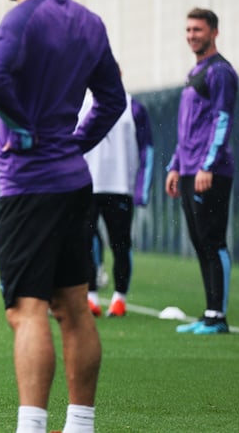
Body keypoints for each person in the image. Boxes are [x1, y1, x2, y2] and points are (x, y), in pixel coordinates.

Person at [0, 0, 126, 433]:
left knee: (26, 310)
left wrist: (22, 129)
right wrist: (73, 142)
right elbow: (112, 100)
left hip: (29, 185)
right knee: (73, 307)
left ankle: (32, 426)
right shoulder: (88, 21)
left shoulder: (19, 19)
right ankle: (81, 424)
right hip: (73, 181)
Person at [167, 8, 238, 336]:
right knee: (200, 241)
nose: (192, 35)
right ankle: (208, 313)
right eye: (188, 29)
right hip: (189, 169)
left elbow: (221, 121)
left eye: (198, 29)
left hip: (210, 171)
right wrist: (175, 165)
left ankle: (218, 317)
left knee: (213, 240)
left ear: (214, 33)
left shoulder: (220, 72)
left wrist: (206, 165)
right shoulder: (195, 71)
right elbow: (188, 128)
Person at [79, 89, 154, 318]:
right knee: (85, 241)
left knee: (121, 244)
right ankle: (91, 296)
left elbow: (146, 149)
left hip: (121, 187)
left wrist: (142, 188)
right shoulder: (79, 104)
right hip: (87, 185)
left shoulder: (134, 107)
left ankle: (120, 298)